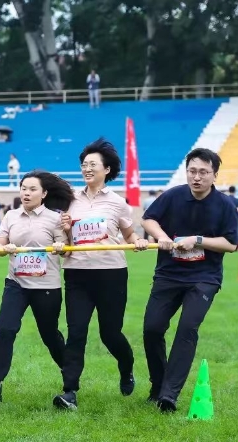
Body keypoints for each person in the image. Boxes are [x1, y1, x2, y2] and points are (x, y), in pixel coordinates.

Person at [53, 138, 148, 410]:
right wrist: (65, 231)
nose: (87, 168)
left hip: (111, 274)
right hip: (77, 274)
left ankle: (126, 366)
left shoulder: (117, 203)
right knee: (76, 332)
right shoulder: (70, 200)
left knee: (110, 334)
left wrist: (138, 241)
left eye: (93, 164)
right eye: (84, 164)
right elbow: (66, 241)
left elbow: (129, 234)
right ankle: (70, 391)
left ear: (107, 169)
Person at [141, 148, 238, 412]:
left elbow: (231, 244)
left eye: (203, 172)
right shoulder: (173, 196)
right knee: (152, 329)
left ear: (214, 175)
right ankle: (158, 384)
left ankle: (169, 395)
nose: (197, 177)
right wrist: (162, 236)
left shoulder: (225, 205)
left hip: (204, 278)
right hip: (168, 274)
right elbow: (148, 219)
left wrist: (197, 240)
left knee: (187, 329)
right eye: (192, 171)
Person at [0, 171, 73, 403]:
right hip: (16, 283)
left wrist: (61, 245)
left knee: (49, 335)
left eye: (32, 189)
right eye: (23, 189)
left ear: (44, 194)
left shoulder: (54, 218)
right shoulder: (11, 216)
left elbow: (66, 249)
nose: (26, 193)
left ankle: (69, 374)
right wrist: (4, 247)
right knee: (6, 329)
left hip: (46, 286)